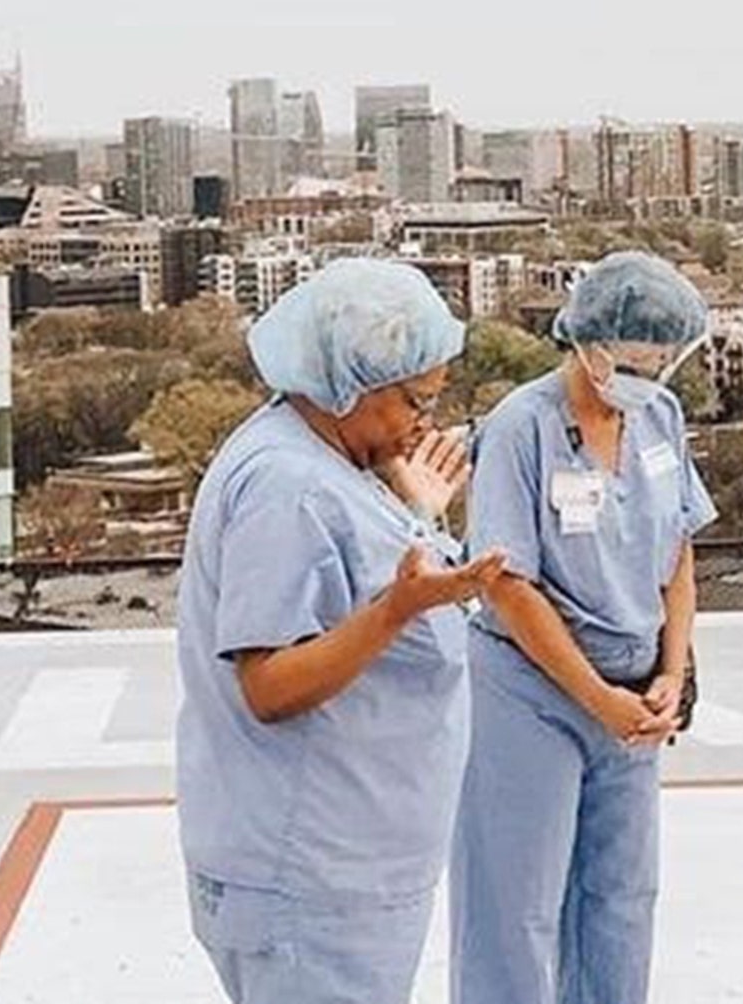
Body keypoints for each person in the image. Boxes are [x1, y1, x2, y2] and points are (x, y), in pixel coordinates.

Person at [175, 259, 507, 1004]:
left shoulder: (336, 461)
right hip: (310, 872)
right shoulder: (286, 485)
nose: (425, 422)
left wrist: (417, 513)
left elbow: (366, 567)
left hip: (352, 864)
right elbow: (269, 685)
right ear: (352, 380)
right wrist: (398, 610)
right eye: (416, 400)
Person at [451, 251, 715, 1004]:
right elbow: (508, 584)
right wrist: (596, 698)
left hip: (634, 695)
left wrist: (672, 673)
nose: (646, 372)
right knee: (515, 903)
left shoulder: (658, 417)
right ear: (586, 341)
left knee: (621, 900)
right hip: (532, 692)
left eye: (660, 360)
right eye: (632, 358)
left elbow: (677, 552)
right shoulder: (521, 428)